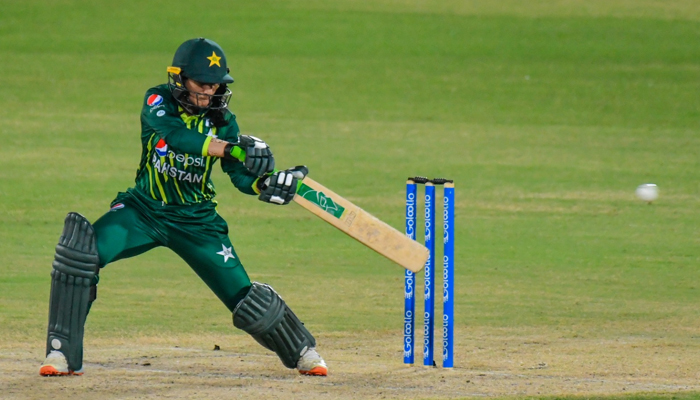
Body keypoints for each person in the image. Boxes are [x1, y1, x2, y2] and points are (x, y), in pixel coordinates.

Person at [39, 38, 328, 377]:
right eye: (201, 84)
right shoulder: (157, 100)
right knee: (79, 255)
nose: (209, 92)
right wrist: (234, 150)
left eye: (215, 85)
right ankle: (60, 355)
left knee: (243, 298)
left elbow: (239, 178)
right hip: (143, 211)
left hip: (197, 222)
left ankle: (303, 351)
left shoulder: (223, 120)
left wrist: (265, 183)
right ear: (180, 79)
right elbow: (176, 137)